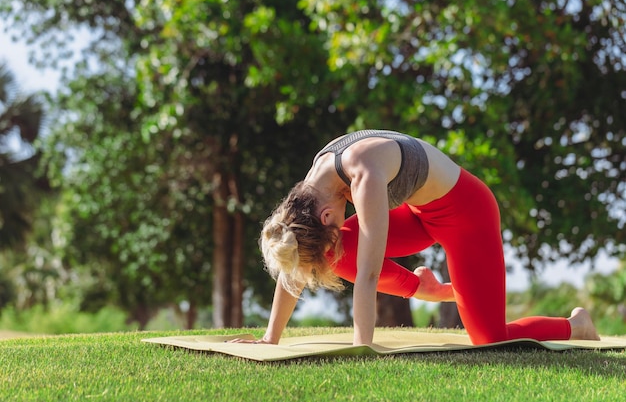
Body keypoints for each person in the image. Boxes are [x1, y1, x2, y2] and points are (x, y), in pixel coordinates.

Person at [235, 129, 600, 346]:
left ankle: (576, 325)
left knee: (491, 339)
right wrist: (271, 338)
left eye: (328, 230)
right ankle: (424, 285)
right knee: (330, 251)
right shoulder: (313, 187)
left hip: (467, 216)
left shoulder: (364, 176)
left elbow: (368, 276)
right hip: (419, 216)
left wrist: (362, 348)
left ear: (326, 217)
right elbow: (295, 249)